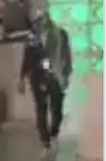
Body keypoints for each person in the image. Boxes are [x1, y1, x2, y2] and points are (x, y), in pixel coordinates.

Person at [18, 11, 73, 152]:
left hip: (56, 76)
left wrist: (66, 74)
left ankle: (53, 133)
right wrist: (21, 78)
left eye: (44, 18)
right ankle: (45, 140)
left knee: (57, 108)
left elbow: (66, 56)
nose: (41, 22)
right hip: (38, 76)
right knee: (41, 107)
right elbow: (27, 58)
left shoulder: (60, 34)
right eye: (39, 19)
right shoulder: (32, 38)